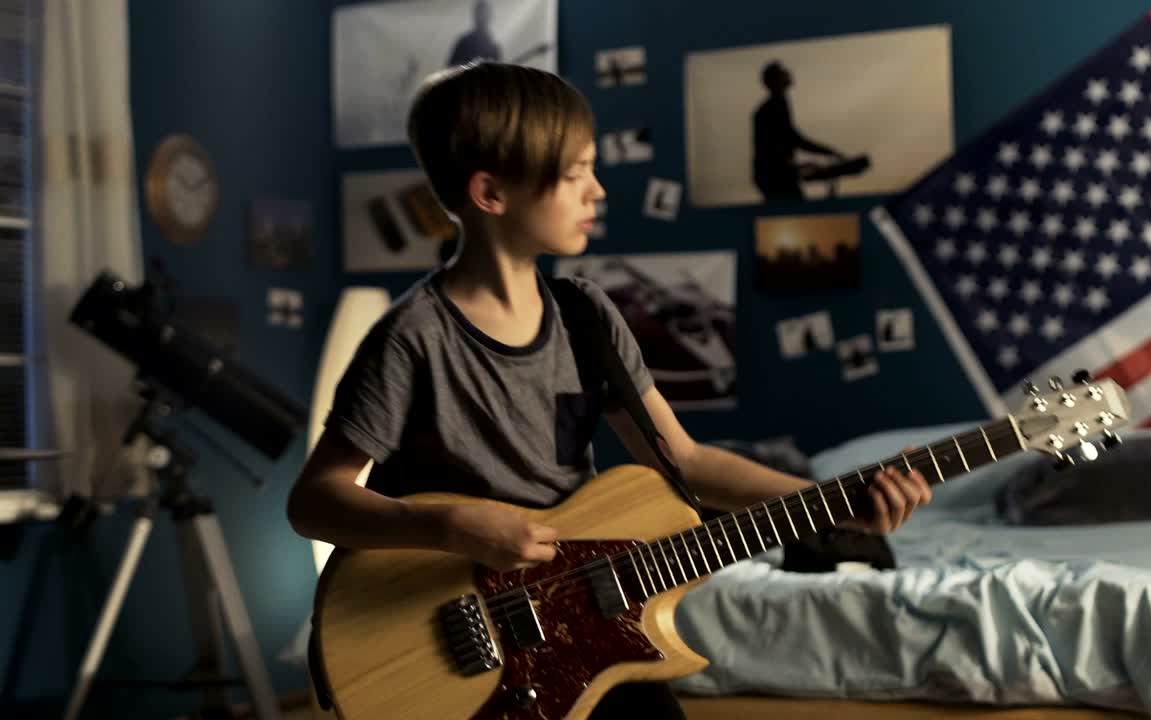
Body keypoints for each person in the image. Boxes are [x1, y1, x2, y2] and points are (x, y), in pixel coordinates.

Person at [287, 61, 931, 720]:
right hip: (463, 655)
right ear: (491, 192)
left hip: (587, 630)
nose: (596, 191)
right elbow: (315, 501)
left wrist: (834, 505)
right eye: (575, 175)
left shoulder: (586, 315)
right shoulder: (412, 337)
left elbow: (685, 462)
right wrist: (449, 526)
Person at [752, 60, 842, 200]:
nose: (788, 73)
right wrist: (828, 152)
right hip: (775, 176)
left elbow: (789, 140)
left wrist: (805, 164)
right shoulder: (773, 107)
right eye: (783, 72)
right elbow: (792, 140)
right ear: (775, 80)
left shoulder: (775, 105)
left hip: (776, 174)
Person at [447, 0, 501, 67]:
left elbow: (499, 71)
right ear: (475, 15)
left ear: (489, 17)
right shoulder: (463, 43)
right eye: (480, 14)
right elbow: (451, 67)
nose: (482, 17)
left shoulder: (494, 47)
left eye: (485, 14)